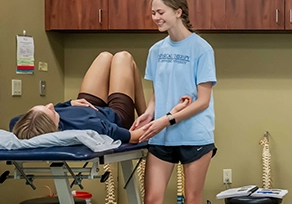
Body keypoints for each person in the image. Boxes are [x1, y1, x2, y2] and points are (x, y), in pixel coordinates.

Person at [120, 0, 217, 204]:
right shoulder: (155, 50)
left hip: (194, 136)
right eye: (152, 12)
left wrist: (167, 120)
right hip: (161, 136)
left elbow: (203, 101)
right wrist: (150, 113)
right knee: (152, 203)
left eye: (160, 11)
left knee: (192, 203)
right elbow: (157, 94)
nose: (155, 17)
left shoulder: (201, 49)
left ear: (179, 11)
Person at [9, 51, 188, 143]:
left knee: (104, 56)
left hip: (84, 106)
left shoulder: (25, 124)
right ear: (55, 126)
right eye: (50, 111)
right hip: (114, 115)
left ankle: (148, 113)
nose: (50, 105)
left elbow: (17, 123)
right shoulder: (88, 127)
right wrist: (167, 118)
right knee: (123, 57)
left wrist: (68, 103)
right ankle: (147, 115)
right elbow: (133, 136)